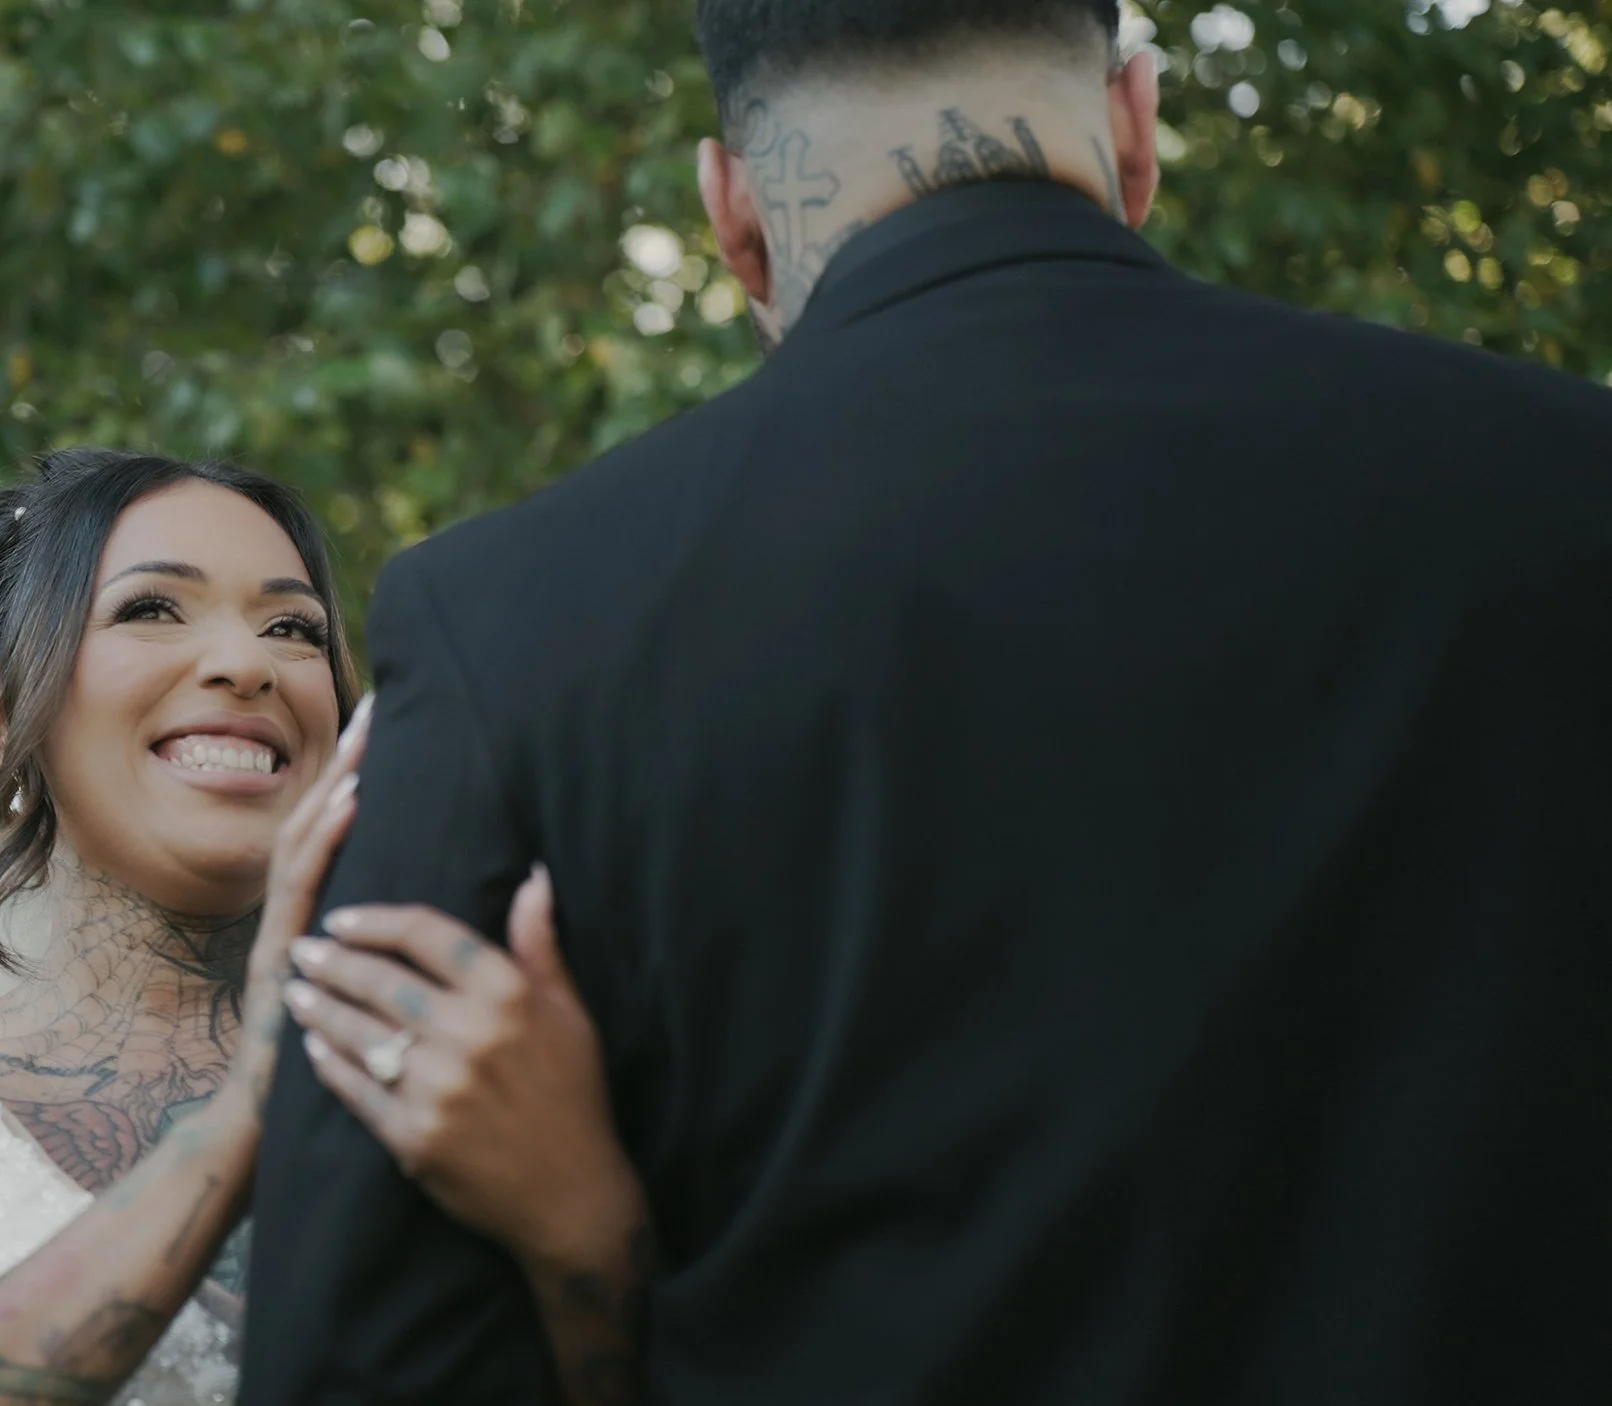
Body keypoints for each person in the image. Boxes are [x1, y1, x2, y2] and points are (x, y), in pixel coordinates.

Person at [246, 1, 1612, 1402]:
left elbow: (361, 1368)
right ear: (1136, 127)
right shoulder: (1570, 491)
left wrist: (608, 1264)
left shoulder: (515, 623)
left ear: (735, 221)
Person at [0, 448, 643, 1406]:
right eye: (151, 608)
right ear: (2, 707)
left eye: (293, 628)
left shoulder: (483, 1056)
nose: (246, 664)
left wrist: (584, 1234)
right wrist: (246, 1113)